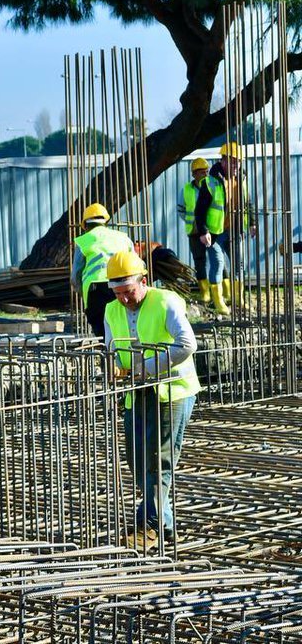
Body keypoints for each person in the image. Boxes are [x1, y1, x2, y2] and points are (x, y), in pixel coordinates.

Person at [103, 251, 200, 549]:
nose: (124, 299)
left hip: (173, 390)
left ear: (143, 281)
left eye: (129, 292)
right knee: (138, 460)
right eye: (118, 293)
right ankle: (166, 525)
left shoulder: (166, 301)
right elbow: (110, 349)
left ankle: (149, 526)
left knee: (160, 461)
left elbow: (187, 345)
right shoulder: (111, 310)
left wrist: (144, 368)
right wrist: (112, 369)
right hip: (136, 392)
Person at [199, 141, 256, 306]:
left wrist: (252, 223)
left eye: (238, 161)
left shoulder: (242, 179)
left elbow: (248, 203)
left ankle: (238, 298)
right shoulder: (210, 182)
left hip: (235, 230)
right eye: (232, 161)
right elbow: (200, 210)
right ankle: (218, 302)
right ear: (222, 161)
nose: (236, 165)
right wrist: (204, 231)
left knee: (239, 265)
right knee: (218, 263)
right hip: (215, 233)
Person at [71, 203, 134, 337]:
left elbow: (75, 276)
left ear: (85, 225)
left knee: (101, 331)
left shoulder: (83, 241)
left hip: (96, 290)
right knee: (125, 325)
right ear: (105, 221)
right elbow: (136, 264)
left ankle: (107, 354)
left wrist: (82, 292)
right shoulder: (123, 238)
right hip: (123, 286)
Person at [180, 157, 229, 313]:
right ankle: (205, 293)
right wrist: (193, 223)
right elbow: (181, 209)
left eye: (206, 171)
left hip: (212, 231)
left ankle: (226, 292)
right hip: (194, 232)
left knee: (218, 261)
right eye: (201, 172)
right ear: (194, 174)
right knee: (199, 261)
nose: (204, 174)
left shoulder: (212, 185)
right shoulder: (187, 189)